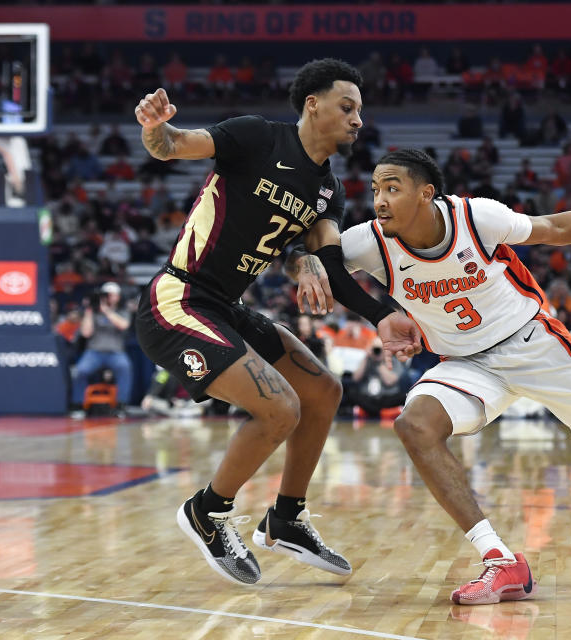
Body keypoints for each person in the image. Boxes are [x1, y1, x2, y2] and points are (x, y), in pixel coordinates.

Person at [337, 149, 571, 606]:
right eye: (376, 190)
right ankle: (501, 562)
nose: (379, 200)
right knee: (414, 424)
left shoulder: (475, 217)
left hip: (536, 344)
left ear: (426, 194)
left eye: (392, 188)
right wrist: (332, 281)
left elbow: (555, 228)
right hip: (467, 364)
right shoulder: (367, 242)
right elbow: (314, 259)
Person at [132, 59, 420, 586]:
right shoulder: (256, 137)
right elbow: (174, 145)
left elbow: (331, 265)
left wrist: (381, 315)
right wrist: (156, 127)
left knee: (323, 391)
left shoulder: (327, 189)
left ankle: (286, 517)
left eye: (360, 111)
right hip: (179, 297)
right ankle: (207, 511)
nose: (358, 120)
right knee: (278, 407)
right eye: (348, 107)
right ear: (314, 105)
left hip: (226, 306)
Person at [71, 282, 133, 415]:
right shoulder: (93, 312)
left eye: (111, 295)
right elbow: (86, 333)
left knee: (125, 367)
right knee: (80, 371)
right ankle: (78, 405)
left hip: (115, 353)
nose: (109, 298)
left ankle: (121, 405)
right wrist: (88, 311)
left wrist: (106, 310)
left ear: (117, 297)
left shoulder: (122, 311)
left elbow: (124, 325)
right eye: (106, 295)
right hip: (94, 353)